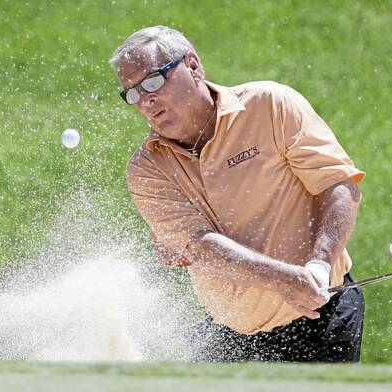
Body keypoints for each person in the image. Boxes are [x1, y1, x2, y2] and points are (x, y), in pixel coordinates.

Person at [109, 25, 366, 362]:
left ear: (193, 67)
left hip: (320, 319)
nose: (145, 100)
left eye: (153, 82)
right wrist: (285, 279)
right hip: (232, 335)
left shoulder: (270, 104)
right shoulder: (147, 168)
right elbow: (202, 247)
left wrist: (319, 264)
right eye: (132, 93)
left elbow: (337, 184)